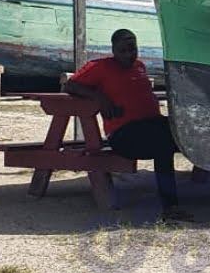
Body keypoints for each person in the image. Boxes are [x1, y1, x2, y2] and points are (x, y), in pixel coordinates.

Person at [66, 29, 180, 211]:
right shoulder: (100, 67)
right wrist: (100, 98)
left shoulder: (140, 66)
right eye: (123, 51)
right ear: (114, 50)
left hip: (151, 124)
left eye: (132, 49)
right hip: (124, 133)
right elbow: (71, 85)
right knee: (163, 146)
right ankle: (170, 205)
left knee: (190, 134)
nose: (129, 55)